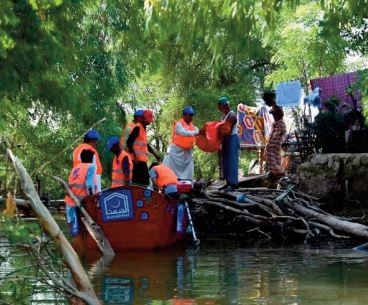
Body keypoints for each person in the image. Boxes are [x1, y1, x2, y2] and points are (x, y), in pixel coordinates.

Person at [65, 149, 97, 236]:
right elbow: (89, 185)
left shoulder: (76, 167)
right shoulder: (91, 167)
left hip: (69, 200)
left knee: (73, 229)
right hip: (81, 202)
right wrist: (92, 199)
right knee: (83, 227)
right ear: (91, 159)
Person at [163, 106, 199, 181]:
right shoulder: (179, 124)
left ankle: (187, 183)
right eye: (190, 115)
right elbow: (183, 132)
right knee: (170, 168)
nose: (192, 117)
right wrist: (196, 132)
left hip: (187, 152)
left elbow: (198, 130)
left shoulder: (192, 126)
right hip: (176, 151)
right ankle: (172, 182)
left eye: (192, 115)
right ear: (184, 115)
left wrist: (199, 132)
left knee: (189, 168)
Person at [127, 109, 158, 186]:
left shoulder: (143, 129)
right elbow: (129, 142)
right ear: (144, 119)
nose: (150, 122)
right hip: (137, 160)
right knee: (142, 181)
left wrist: (154, 153)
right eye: (149, 120)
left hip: (141, 160)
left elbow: (145, 144)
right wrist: (135, 156)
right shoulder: (137, 127)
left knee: (143, 181)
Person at [262, 91, 286, 178]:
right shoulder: (274, 105)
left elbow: (281, 113)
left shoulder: (276, 104)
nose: (266, 103)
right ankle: (277, 170)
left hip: (279, 126)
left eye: (266, 101)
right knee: (274, 149)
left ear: (270, 99)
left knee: (270, 147)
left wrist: (274, 111)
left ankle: (276, 171)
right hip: (276, 126)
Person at [217, 96, 239, 191]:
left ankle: (233, 184)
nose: (221, 109)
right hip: (225, 140)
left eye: (221, 107)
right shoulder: (223, 116)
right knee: (225, 161)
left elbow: (227, 130)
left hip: (232, 138)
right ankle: (228, 182)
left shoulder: (232, 115)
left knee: (232, 160)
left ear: (226, 105)